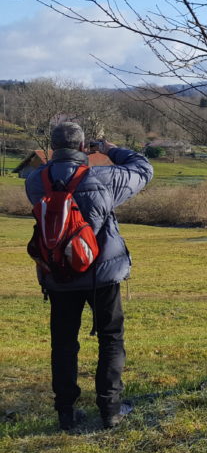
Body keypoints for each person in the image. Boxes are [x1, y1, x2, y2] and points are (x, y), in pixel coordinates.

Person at [25, 122, 153, 431]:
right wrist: (109, 150)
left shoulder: (34, 181)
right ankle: (110, 410)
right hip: (102, 274)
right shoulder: (104, 178)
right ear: (84, 148)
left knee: (64, 343)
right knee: (110, 338)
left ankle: (65, 414)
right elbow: (144, 169)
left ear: (53, 149)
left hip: (59, 275)